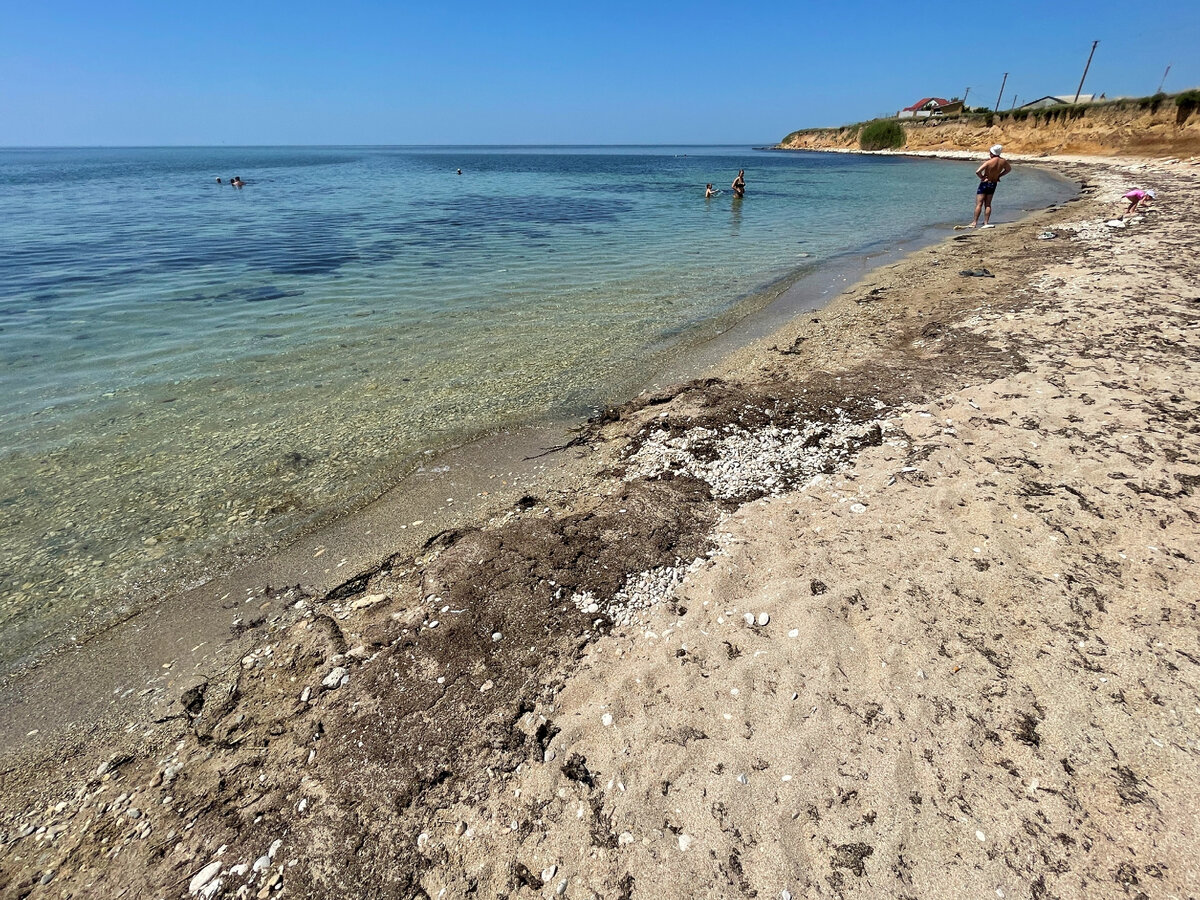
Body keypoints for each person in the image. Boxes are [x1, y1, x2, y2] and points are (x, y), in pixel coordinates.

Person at [968, 145, 1011, 228]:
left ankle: (974, 222)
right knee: (988, 204)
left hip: (985, 183)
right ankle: (986, 222)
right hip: (993, 183)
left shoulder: (989, 162)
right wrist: (999, 175)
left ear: (992, 153)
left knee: (979, 204)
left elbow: (978, 171)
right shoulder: (1003, 162)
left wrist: (982, 177)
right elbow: (1008, 169)